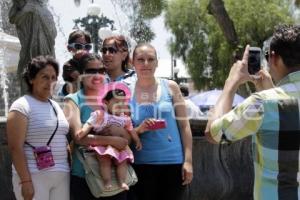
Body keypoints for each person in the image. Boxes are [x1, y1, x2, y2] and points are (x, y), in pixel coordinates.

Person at [205, 25, 300, 200]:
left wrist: (231, 83)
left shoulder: (262, 103)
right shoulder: (267, 102)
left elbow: (214, 134)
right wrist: (271, 90)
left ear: (274, 58)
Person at [128, 43, 193, 200]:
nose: (146, 64)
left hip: (173, 163)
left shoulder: (171, 87)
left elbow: (184, 126)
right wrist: (139, 129)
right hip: (140, 164)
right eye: (141, 59)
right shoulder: (124, 90)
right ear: (132, 62)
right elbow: (122, 129)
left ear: (157, 63)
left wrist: (188, 161)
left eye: (151, 59)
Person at [63, 53, 129, 200]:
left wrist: (119, 132)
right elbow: (78, 138)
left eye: (101, 70)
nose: (97, 75)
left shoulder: (113, 99)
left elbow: (127, 136)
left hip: (115, 174)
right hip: (85, 173)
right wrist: (111, 140)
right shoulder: (73, 100)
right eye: (91, 71)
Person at [6, 56, 70, 200]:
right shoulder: (21, 106)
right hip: (34, 176)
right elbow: (15, 147)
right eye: (45, 77)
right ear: (31, 79)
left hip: (61, 175)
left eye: (54, 77)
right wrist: (25, 181)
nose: (50, 82)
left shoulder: (55, 105)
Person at [76, 82, 143, 191]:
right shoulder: (100, 114)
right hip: (103, 146)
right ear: (106, 102)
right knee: (104, 160)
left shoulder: (125, 118)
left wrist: (137, 140)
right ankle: (106, 181)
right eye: (117, 102)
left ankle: (121, 182)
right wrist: (83, 131)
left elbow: (131, 131)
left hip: (119, 147)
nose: (120, 105)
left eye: (123, 102)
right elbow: (89, 123)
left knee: (123, 162)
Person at [9, 0, 57, 94]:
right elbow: (13, 19)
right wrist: (26, 10)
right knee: (29, 71)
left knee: (44, 71)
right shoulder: (24, 4)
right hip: (30, 47)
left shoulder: (45, 10)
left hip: (45, 48)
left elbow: (53, 33)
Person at [60, 30, 92, 96]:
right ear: (69, 48)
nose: (83, 49)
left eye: (87, 47)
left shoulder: (91, 63)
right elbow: (81, 78)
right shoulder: (68, 65)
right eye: (78, 46)